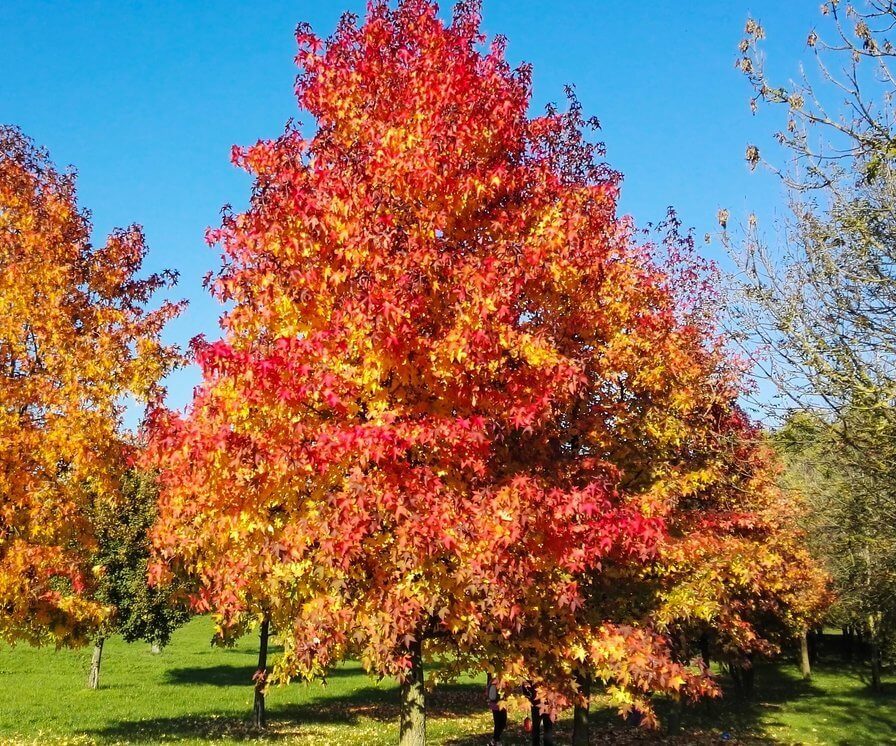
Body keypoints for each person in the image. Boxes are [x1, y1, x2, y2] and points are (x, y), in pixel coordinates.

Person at [486, 673, 507, 745]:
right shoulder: (495, 681)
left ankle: (495, 740)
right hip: (496, 705)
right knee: (499, 723)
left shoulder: (493, 681)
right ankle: (495, 740)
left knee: (501, 723)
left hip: (501, 705)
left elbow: (487, 693)